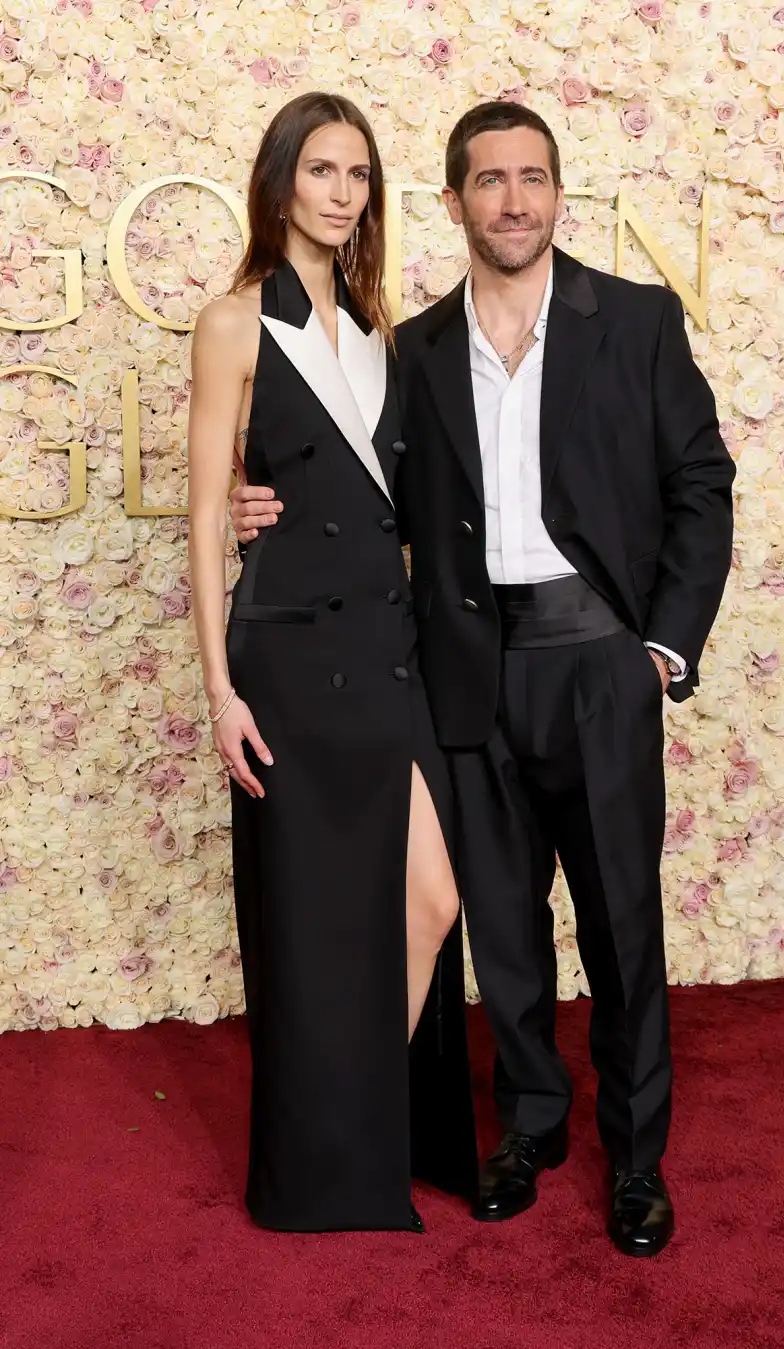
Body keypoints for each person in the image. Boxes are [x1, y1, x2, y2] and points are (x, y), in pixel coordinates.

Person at [230, 100, 735, 1256]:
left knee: (620, 923)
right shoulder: (408, 348)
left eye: (532, 178)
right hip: (463, 669)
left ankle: (636, 1160)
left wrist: (660, 647)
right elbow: (364, 494)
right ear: (453, 201)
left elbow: (700, 483)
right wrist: (260, 503)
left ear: (557, 194)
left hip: (598, 663)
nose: (514, 200)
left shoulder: (635, 321)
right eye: (490, 181)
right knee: (501, 926)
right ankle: (531, 1126)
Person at [188, 91, 476, 1235]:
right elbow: (203, 515)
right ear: (280, 181)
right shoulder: (232, 321)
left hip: (387, 649)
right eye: (321, 168)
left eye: (358, 173)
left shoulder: (376, 328)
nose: (342, 191)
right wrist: (219, 692)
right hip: (290, 659)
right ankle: (326, 1160)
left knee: (429, 898)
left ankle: (352, 1121)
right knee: (312, 921)